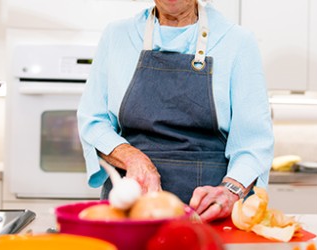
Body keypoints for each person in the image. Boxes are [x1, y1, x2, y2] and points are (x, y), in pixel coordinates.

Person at [77, 0, 274, 222]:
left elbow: (253, 143)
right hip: (130, 213)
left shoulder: (237, 41)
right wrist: (133, 159)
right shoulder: (117, 36)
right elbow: (93, 121)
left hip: (208, 216)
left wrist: (230, 191)